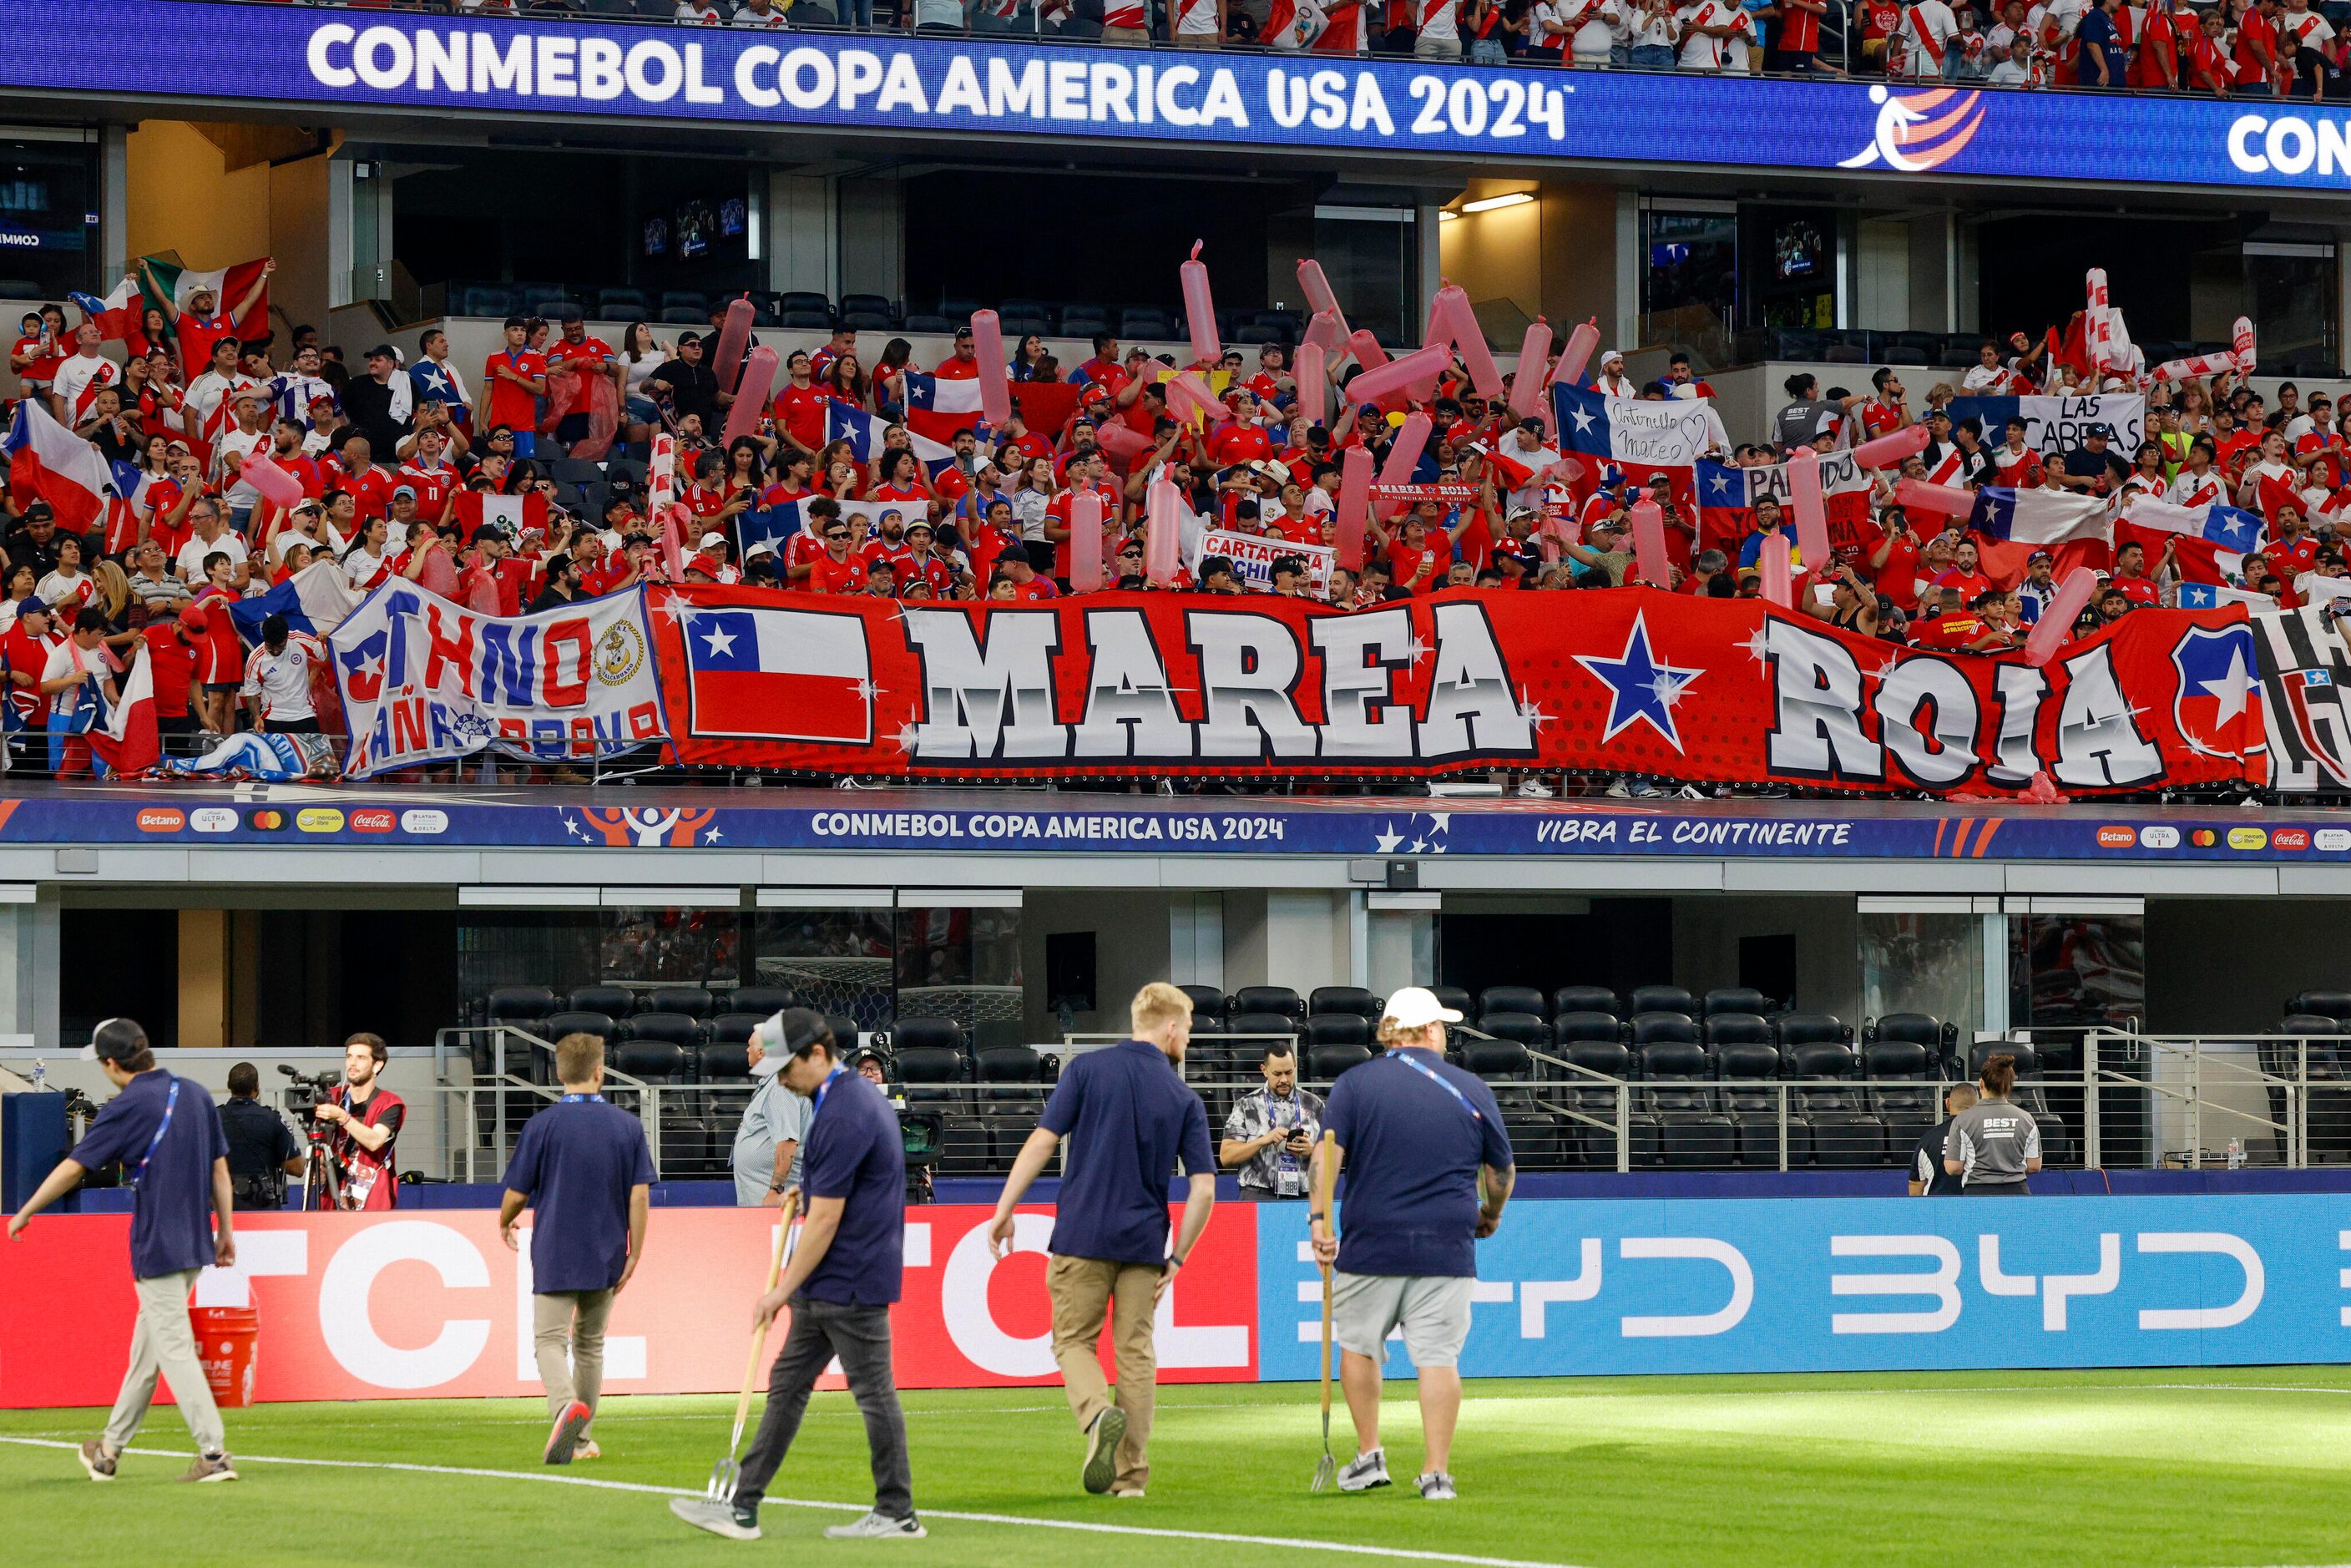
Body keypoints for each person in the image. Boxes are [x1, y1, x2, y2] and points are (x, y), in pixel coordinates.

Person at [670, 1010, 923, 1542]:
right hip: (832, 1281)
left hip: (850, 1276)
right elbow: (835, 1194)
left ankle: (897, 1512)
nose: (781, 1077)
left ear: (816, 1054)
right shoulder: (835, 1100)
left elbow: (828, 1218)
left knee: (873, 1393)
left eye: (788, 1066)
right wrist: (805, 1193)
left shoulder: (845, 1110)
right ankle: (742, 1507)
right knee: (787, 1388)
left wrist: (781, 1290)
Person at [988, 982, 1216, 1498]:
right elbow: (1203, 1189)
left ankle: (1096, 1415)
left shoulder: (1086, 1071)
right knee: (1135, 1352)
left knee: (1073, 1341)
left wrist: (1006, 1209)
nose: (1191, 1040)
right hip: (1142, 1245)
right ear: (1171, 1027)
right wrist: (1177, 1257)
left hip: (1082, 1234)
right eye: (1190, 1030)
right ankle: (1131, 1477)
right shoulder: (1183, 1097)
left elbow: (1043, 1140)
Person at [7, 1018, 239, 1483]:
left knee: (171, 1349)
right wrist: (226, 1230)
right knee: (147, 1356)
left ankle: (214, 1455)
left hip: (157, 1246)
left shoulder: (127, 1105)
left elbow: (75, 1168)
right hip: (195, 1242)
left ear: (111, 1063)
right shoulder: (194, 1093)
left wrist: (26, 1210)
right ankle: (107, 1452)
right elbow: (219, 1169)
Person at [1311, 987, 1514, 1502]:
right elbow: (1502, 1172)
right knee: (1438, 1360)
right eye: (1442, 1027)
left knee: (1359, 1348)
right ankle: (1436, 1473)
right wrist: (1490, 1214)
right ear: (1427, 1031)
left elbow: (1325, 1158)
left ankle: (1369, 1454)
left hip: (1371, 1243)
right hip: (1447, 1245)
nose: (1444, 1035)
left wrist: (1319, 1220)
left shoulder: (1355, 1084)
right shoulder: (1471, 1087)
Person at [499, 1030, 653, 1467]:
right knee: (590, 1344)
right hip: (606, 1250)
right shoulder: (627, 1126)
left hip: (555, 1247)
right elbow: (638, 1196)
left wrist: (504, 1218)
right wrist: (634, 1252)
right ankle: (582, 1440)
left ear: (558, 1073)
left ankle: (565, 1405)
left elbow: (517, 1190)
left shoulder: (542, 1125)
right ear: (600, 1072)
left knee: (549, 1340)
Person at [1219, 1044, 1326, 1197]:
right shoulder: (1245, 1105)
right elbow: (1226, 1157)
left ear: (1295, 1065)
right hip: (1258, 1196)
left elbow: (1336, 1156)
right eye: (1277, 1073)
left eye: (1289, 1072)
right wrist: (1263, 1141)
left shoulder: (1315, 1105)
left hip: (1304, 1198)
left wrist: (1313, 1151)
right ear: (1264, 1070)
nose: (1284, 1079)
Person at [314, 1031, 403, 1210]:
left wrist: (342, 1116)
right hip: (334, 1193)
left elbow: (375, 1141)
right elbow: (321, 1142)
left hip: (372, 1194)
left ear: (377, 1065)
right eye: (349, 1057)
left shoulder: (389, 1103)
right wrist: (321, 1166)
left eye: (361, 1058)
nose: (352, 1064)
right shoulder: (333, 1096)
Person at [732, 1010, 813, 1206]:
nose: (747, 1050)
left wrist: (776, 1189)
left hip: (772, 1199)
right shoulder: (772, 1084)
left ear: (762, 1052)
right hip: (759, 1194)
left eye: (750, 1046)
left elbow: (788, 1142)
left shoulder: (780, 1086)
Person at [1943, 1053, 2041, 1194]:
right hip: (2018, 1194)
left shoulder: (1962, 1120)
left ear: (1981, 1083)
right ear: (2009, 1084)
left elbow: (1953, 1168)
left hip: (1977, 1195)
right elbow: (2034, 1166)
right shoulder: (2026, 1119)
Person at [218, 1060, 302, 1211]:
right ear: (256, 1087)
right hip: (263, 1206)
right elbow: (297, 1168)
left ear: (229, 1085)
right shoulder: (273, 1119)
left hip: (223, 1205)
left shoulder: (212, 1119)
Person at [1909, 1083, 1977, 1196]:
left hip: (1935, 1207)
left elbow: (1915, 1184)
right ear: (1977, 1106)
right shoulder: (1982, 1136)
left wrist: (1920, 1212)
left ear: (1947, 1103)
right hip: (1972, 1205)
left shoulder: (1928, 1138)